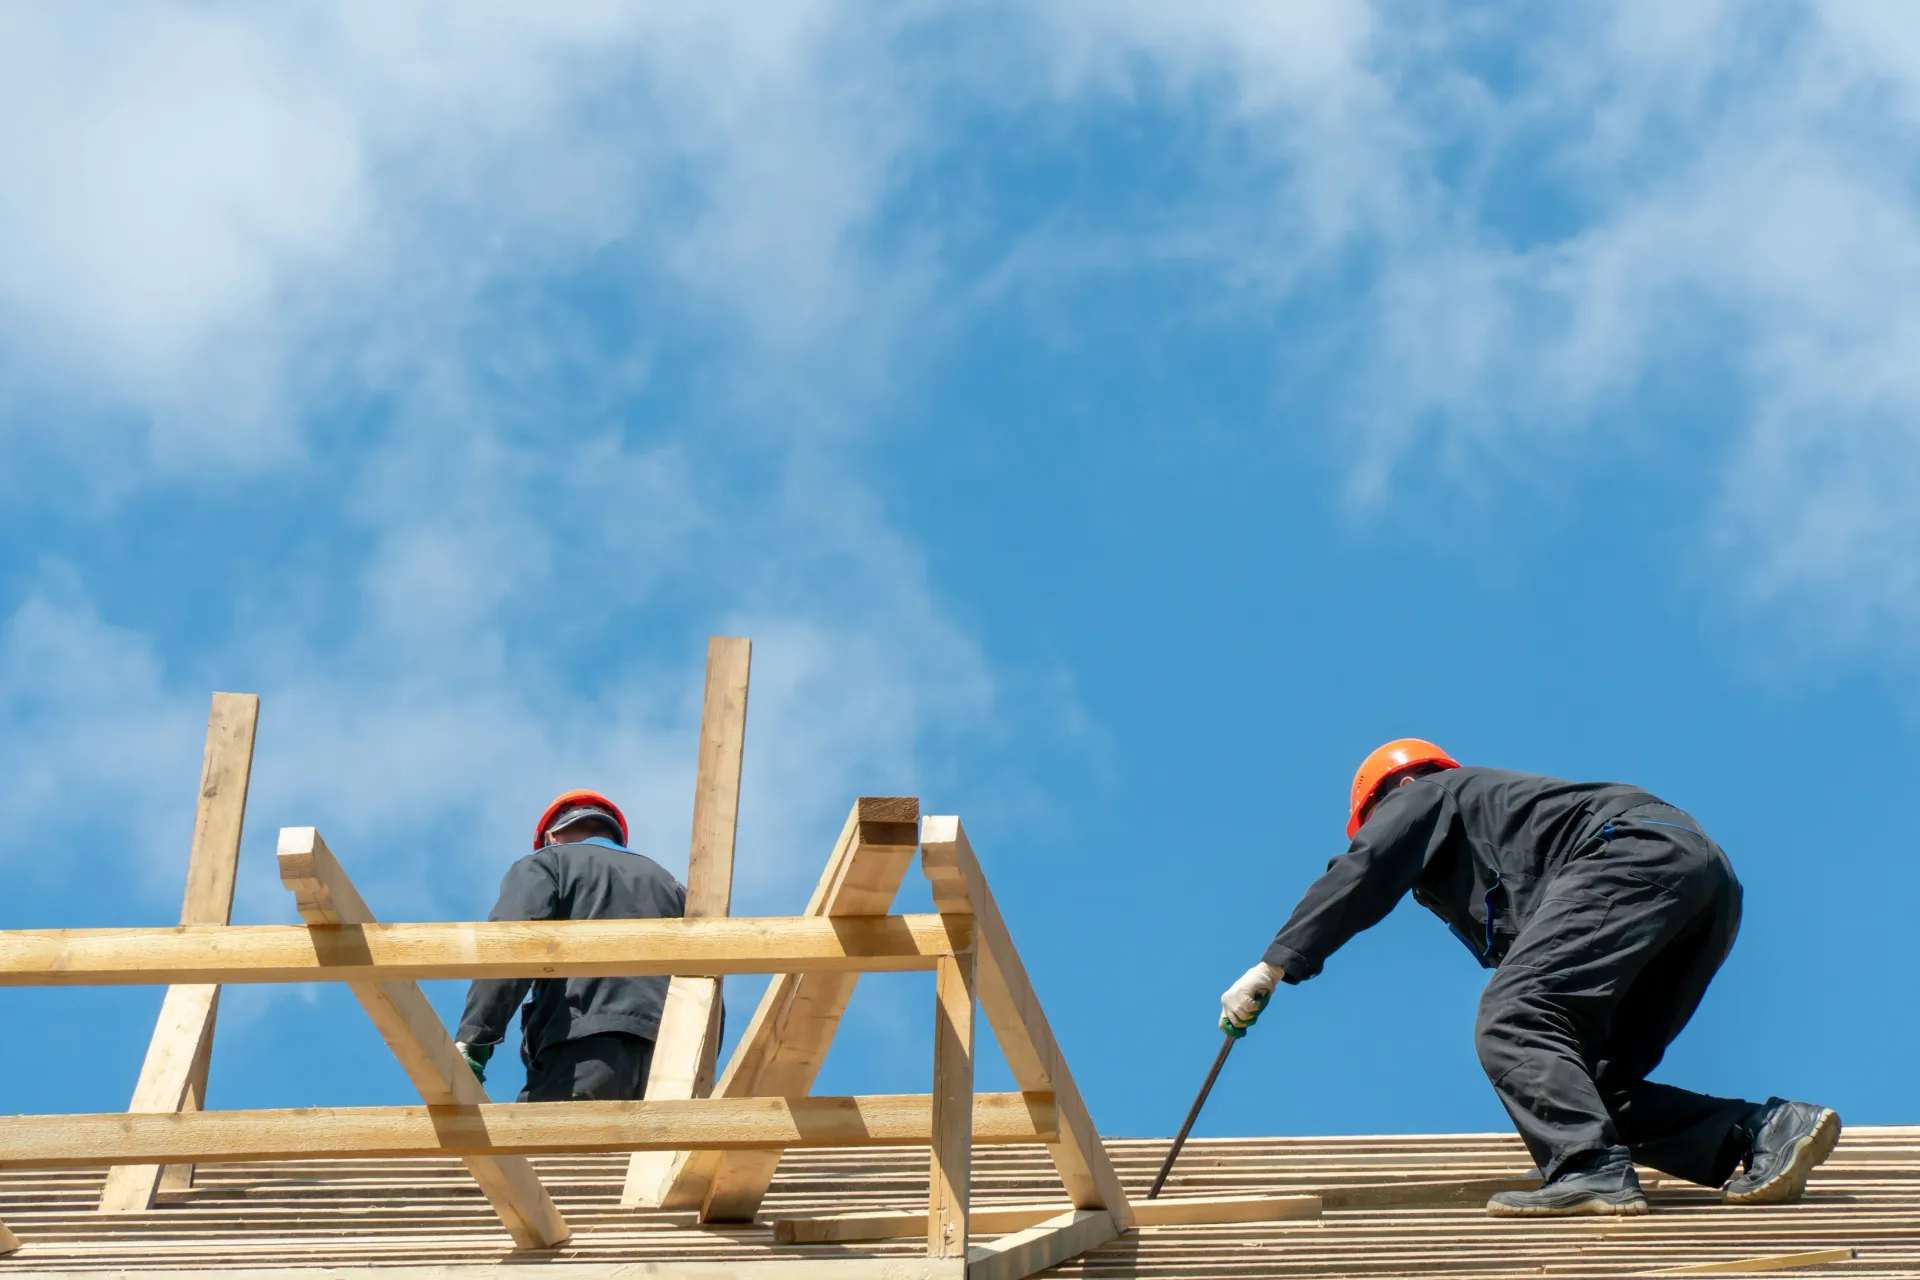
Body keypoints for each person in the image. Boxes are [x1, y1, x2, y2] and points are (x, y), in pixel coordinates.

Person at [1220, 739, 1840, 1217]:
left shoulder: (1428, 792)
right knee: (1589, 1089)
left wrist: (1275, 964)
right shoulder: (1495, 826)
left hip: (1630, 859)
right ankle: (1761, 1132)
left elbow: (1366, 868)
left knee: (1511, 1018)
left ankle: (1590, 1169)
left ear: (1390, 795)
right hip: (1700, 887)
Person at [454, 789, 688, 1101]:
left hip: (585, 1049)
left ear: (551, 836)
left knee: (548, 1147)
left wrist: (475, 1038)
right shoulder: (672, 886)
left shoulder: (549, 863)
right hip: (677, 1061)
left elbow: (513, 942)